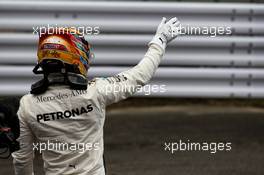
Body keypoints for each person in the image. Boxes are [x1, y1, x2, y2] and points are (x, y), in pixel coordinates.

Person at [12, 17, 180, 175]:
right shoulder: (95, 92)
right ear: (77, 57)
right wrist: (160, 40)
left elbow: (22, 159)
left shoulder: (27, 105)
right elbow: (139, 76)